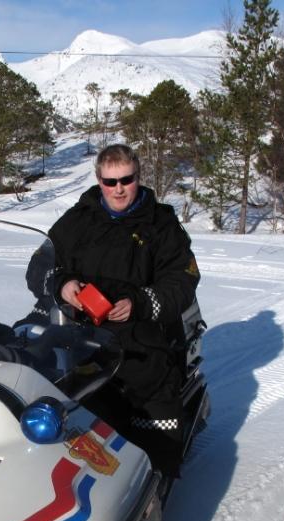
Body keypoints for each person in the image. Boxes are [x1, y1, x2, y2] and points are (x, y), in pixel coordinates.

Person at [49, 143, 200, 475]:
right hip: (81, 339)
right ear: (99, 181)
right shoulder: (78, 221)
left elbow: (183, 280)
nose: (119, 189)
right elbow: (43, 263)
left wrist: (141, 302)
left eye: (126, 180)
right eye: (110, 181)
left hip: (141, 340)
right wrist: (62, 284)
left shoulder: (161, 224)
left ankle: (156, 488)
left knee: (155, 418)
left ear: (138, 177)